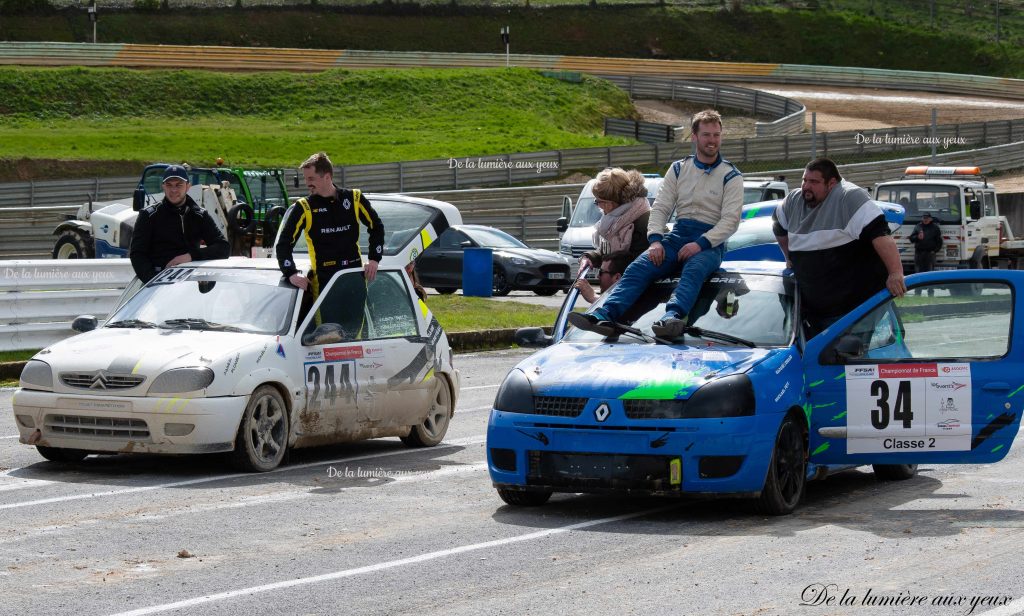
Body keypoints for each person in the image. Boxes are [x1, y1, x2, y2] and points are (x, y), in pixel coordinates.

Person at [569, 109, 743, 339]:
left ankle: (672, 317)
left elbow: (731, 221)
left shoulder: (731, 175)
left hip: (710, 244)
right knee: (640, 266)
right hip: (678, 236)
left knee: (694, 269)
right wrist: (655, 241)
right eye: (707, 135)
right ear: (694, 137)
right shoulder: (679, 169)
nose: (712, 141)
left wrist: (700, 244)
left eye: (717, 135)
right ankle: (605, 314)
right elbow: (660, 207)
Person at [772, 157, 907, 338]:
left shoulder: (849, 197)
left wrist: (895, 273)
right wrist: (789, 257)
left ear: (832, 183)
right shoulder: (793, 201)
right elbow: (778, 227)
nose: (806, 187)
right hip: (815, 311)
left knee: (846, 360)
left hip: (856, 309)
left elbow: (881, 235)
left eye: (814, 182)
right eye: (804, 180)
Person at [276, 152, 385, 296]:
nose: (307, 183)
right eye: (305, 178)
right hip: (324, 282)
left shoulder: (354, 198)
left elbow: (376, 226)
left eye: (311, 178)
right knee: (328, 320)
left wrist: (374, 259)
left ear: (327, 177)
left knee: (356, 320)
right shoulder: (303, 207)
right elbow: (284, 243)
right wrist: (291, 273)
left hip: (353, 277)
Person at [129, 165, 230, 283]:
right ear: (163, 187)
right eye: (169, 185)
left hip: (189, 287)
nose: (173, 190)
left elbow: (223, 248)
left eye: (179, 185)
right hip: (156, 285)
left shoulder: (200, 215)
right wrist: (154, 281)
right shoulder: (149, 216)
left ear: (188, 187)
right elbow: (137, 254)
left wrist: (189, 256)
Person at [579, 168, 651, 271]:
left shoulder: (645, 221)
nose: (598, 205)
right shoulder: (615, 217)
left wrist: (609, 268)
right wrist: (590, 257)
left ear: (610, 203)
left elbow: (638, 261)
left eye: (598, 201)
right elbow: (606, 252)